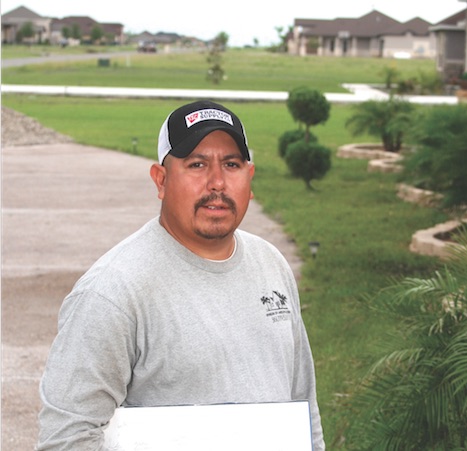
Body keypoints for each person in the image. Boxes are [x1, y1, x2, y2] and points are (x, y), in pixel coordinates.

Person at [37, 100, 325, 450]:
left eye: (231, 164)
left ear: (249, 178)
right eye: (197, 164)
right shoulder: (113, 293)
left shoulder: (271, 264)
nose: (217, 182)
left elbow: (303, 407)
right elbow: (67, 437)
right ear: (161, 180)